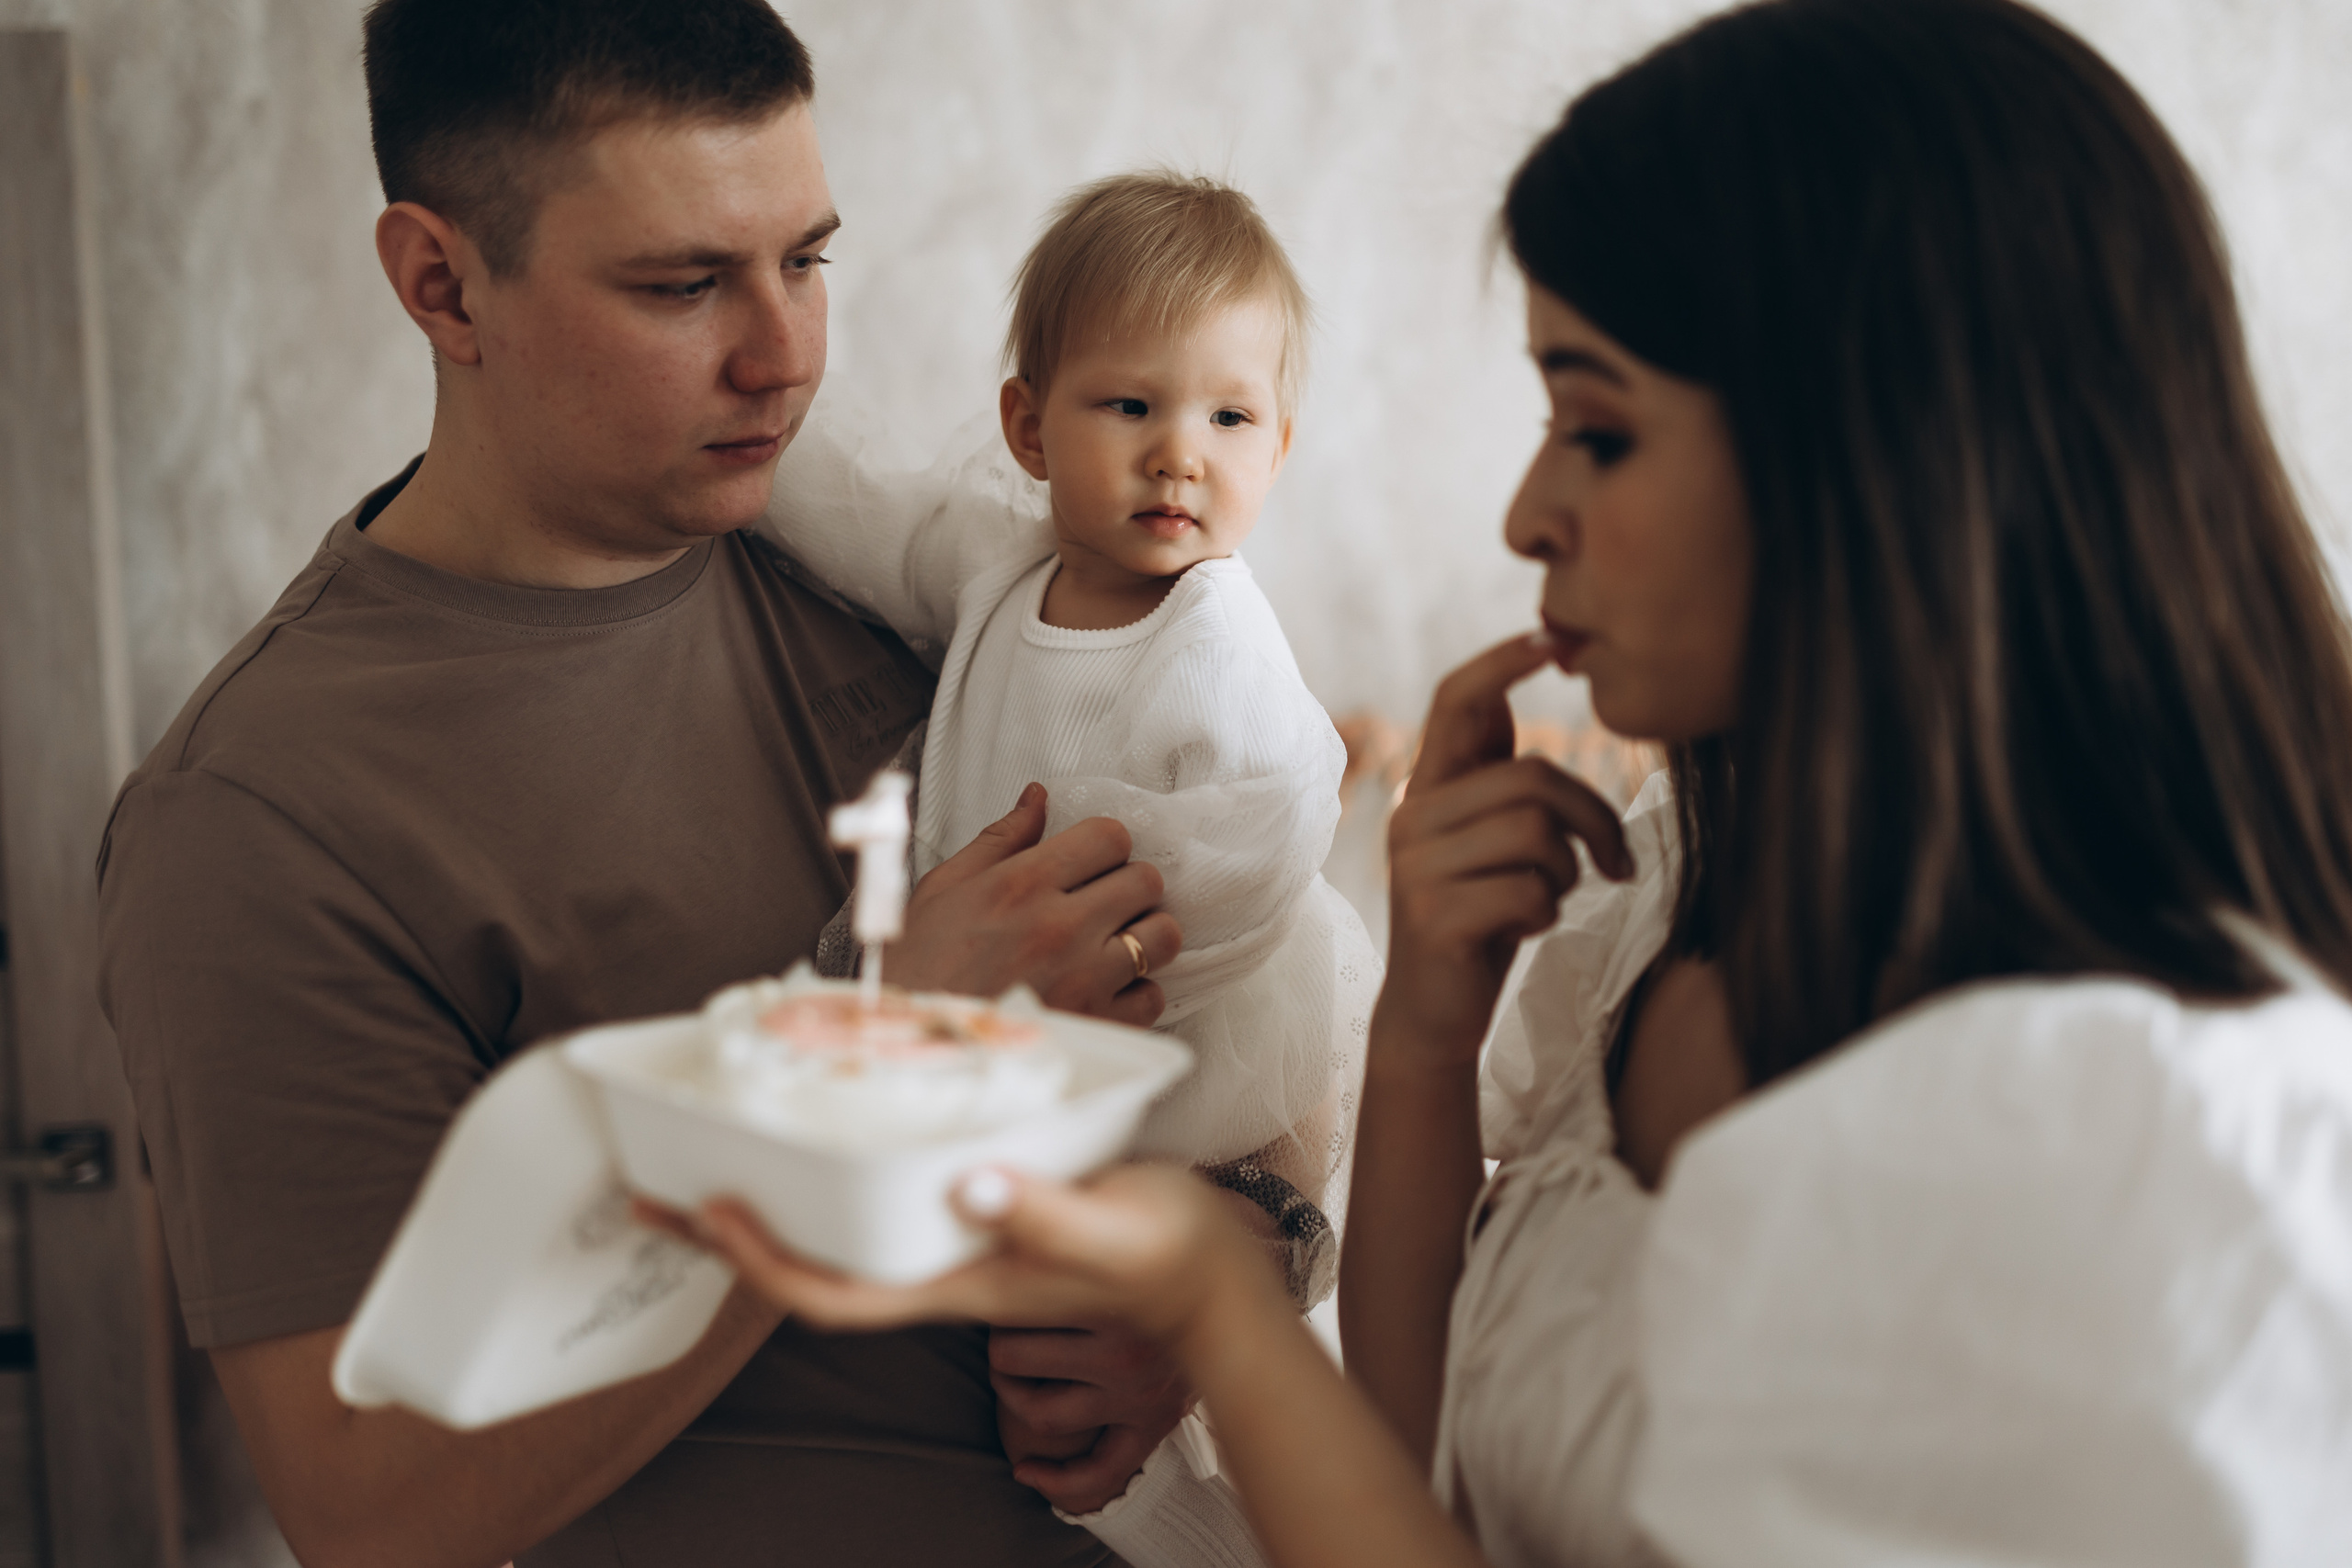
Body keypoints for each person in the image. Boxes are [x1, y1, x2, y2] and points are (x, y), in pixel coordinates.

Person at [674, 1, 2352, 1564]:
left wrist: (1215, 1297)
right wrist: (1422, 1034)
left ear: (1889, 459)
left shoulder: (2113, 1132)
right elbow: (1434, 1477)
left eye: (1599, 430)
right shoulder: (1669, 883)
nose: (1529, 513)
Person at [94, 3, 1193, 1564]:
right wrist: (867, 1068)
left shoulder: (905, 571)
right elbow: (368, 1502)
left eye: (807, 259)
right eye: (683, 285)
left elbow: (1238, 994)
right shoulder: (261, 819)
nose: (786, 353)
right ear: (440, 282)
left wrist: (1217, 1279)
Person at [766, 170, 1377, 1299]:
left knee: (1096, 1313)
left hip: (1170, 1050)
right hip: (995, 1017)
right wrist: (763, 455)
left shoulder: (1218, 641)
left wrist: (1057, 979)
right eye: (1131, 407)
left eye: (1228, 417)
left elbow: (1257, 845)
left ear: (1277, 447)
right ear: (1028, 427)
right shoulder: (1006, 567)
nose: (1180, 454)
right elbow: (871, 517)